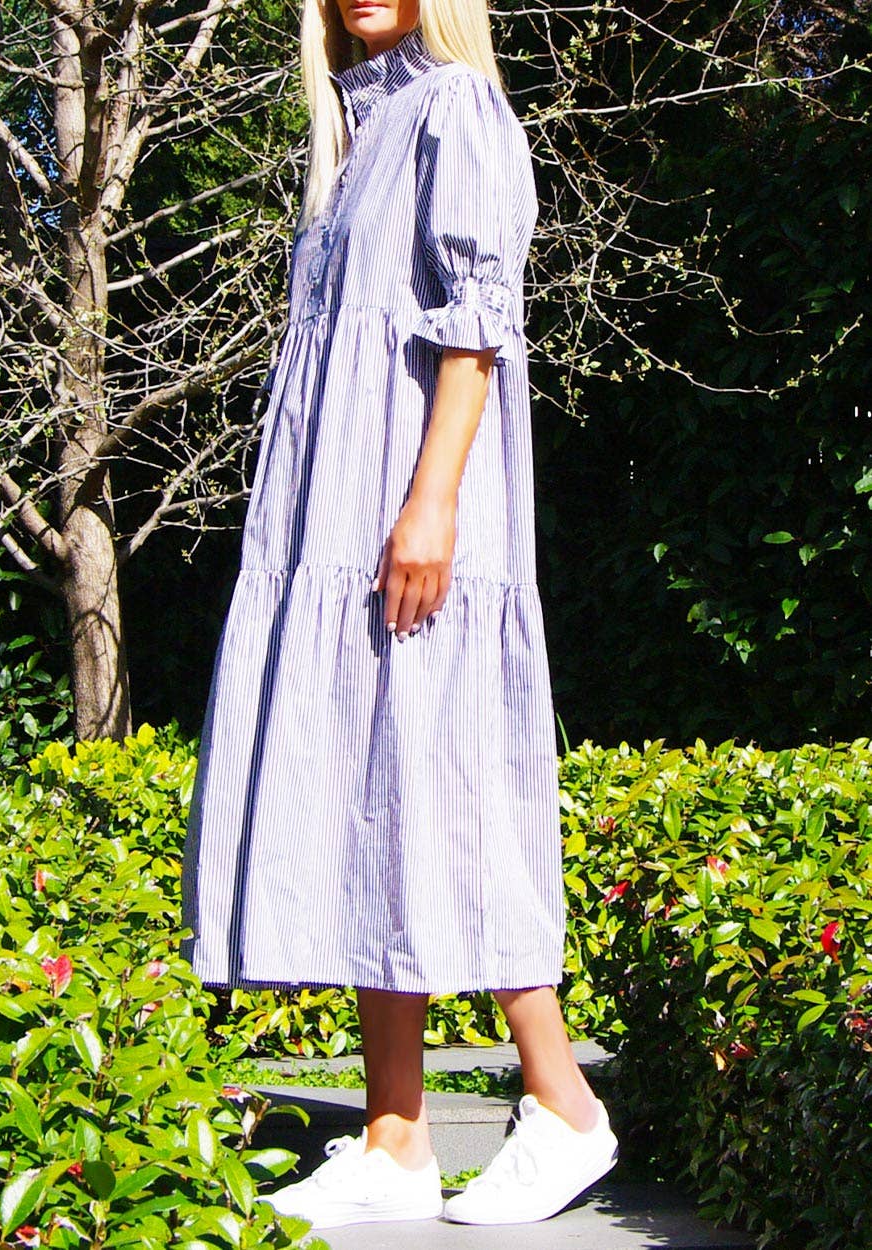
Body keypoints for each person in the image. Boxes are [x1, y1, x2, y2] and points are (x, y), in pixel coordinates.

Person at [178, 0, 619, 1230]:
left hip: (412, 519)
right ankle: (395, 1130)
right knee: (370, 787)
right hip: (336, 520)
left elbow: (475, 330)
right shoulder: (355, 134)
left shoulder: (456, 108)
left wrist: (428, 508)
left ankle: (563, 1102)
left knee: (445, 784)